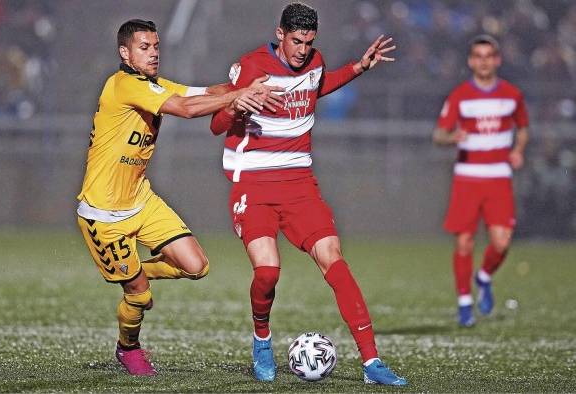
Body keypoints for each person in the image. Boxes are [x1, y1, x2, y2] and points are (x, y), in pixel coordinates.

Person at [210, 3, 407, 386]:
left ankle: (371, 363)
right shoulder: (251, 67)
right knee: (267, 272)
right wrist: (237, 105)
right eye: (296, 41)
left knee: (334, 260)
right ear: (280, 34)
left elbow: (317, 87)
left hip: (300, 184)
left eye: (309, 42)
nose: (302, 49)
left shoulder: (315, 61)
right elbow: (218, 126)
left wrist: (357, 68)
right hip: (254, 183)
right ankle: (262, 340)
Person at [76, 19, 282, 376]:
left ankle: (133, 273)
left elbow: (198, 93)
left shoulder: (152, 85)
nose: (154, 52)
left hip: (141, 199)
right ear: (124, 53)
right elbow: (187, 110)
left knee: (196, 266)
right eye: (144, 47)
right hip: (104, 214)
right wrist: (237, 96)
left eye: (156, 46)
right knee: (140, 298)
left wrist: (244, 86)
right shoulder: (124, 85)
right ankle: (128, 348)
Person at [433, 35, 529, 327]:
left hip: (499, 176)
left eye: (489, 56)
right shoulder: (460, 96)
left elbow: (523, 128)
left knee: (501, 243)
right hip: (468, 177)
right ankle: (465, 303)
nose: (484, 61)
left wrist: (518, 150)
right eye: (478, 56)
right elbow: (438, 135)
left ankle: (484, 276)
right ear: (471, 61)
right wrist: (453, 137)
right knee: (464, 242)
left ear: (497, 60)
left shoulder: (512, 95)